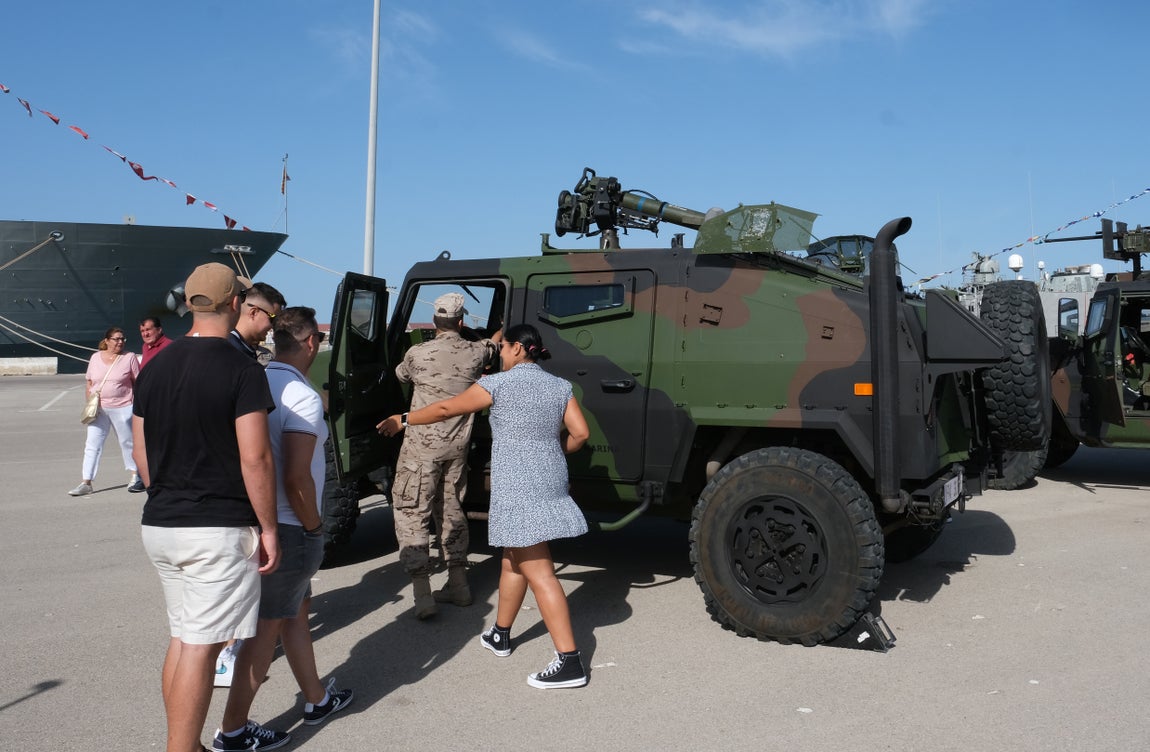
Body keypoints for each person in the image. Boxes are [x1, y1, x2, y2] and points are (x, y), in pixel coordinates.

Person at [378, 323, 592, 689]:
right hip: (549, 478)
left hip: (518, 485)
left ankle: (569, 660)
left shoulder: (498, 385)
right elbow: (581, 433)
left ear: (519, 348)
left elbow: (446, 408)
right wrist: (551, 453)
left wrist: (404, 419)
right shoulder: (559, 386)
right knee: (513, 558)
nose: (501, 353)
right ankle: (500, 634)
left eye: (504, 347)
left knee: (540, 570)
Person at [132, 262, 280, 752]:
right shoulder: (242, 369)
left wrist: (168, 495)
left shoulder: (154, 366)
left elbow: (141, 453)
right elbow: (255, 457)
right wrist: (268, 527)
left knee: (183, 638)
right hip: (216, 527)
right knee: (202, 646)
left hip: (162, 522)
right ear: (235, 303)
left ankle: (184, 743)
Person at [212, 307, 353, 751]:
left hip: (254, 521)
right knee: (264, 631)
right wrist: (315, 527)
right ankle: (233, 730)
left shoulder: (253, 380)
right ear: (311, 343)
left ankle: (317, 699)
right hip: (290, 528)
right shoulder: (302, 397)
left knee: (295, 613)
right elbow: (297, 477)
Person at [390, 292, 499, 620]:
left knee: (412, 512)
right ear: (462, 322)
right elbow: (493, 345)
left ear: (434, 321)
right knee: (451, 511)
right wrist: (498, 330)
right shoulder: (476, 352)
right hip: (456, 449)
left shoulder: (416, 354)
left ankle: (423, 594)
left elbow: (400, 375)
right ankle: (459, 585)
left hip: (420, 450)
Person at [217, 279, 285, 686]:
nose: (272, 327)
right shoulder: (236, 359)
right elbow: (252, 451)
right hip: (234, 486)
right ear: (253, 310)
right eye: (271, 317)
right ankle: (227, 653)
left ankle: (232, 644)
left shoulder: (241, 352)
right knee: (234, 582)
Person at [68, 327, 144, 496]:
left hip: (123, 407)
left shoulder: (129, 357)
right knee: (92, 444)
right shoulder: (95, 357)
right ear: (107, 341)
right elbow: (89, 383)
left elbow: (138, 382)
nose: (120, 342)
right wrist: (90, 404)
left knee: (127, 442)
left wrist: (137, 406)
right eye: (116, 339)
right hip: (100, 409)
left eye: (122, 339)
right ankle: (86, 482)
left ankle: (135, 476)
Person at [229, 281, 286, 365]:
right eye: (272, 319)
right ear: (254, 313)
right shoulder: (228, 351)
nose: (273, 326)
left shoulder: (245, 351)